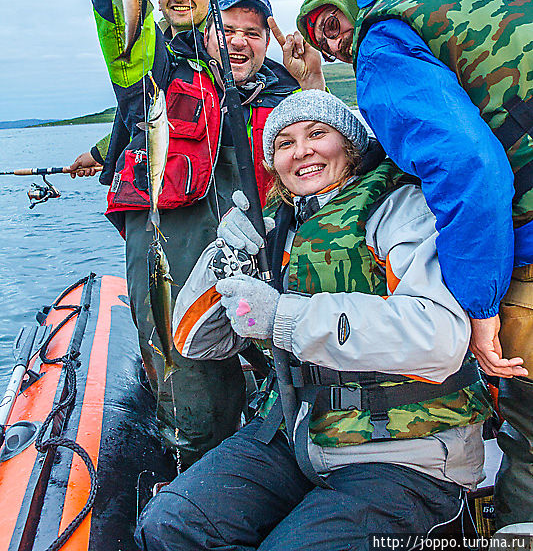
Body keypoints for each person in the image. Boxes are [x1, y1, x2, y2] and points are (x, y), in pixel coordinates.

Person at [134, 89, 491, 551]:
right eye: (283, 143)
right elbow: (197, 343)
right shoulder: (277, 230)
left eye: (316, 134)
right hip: (294, 434)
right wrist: (219, 263)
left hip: (406, 451)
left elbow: (439, 336)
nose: (300, 150)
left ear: (350, 145)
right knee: (170, 524)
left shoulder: (400, 211)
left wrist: (284, 316)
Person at [84, 0, 324, 468]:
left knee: (273, 354)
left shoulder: (267, 84)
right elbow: (120, 28)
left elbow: (327, 153)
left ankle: (281, 437)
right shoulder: (152, 64)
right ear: (157, 1)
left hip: (249, 236)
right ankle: (198, 461)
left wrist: (313, 81)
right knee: (183, 360)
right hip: (171, 232)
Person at [294, 0, 533, 528]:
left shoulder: (384, 38)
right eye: (319, 40)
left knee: (527, 436)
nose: (335, 44)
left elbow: (469, 167)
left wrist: (479, 308)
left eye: (330, 24)